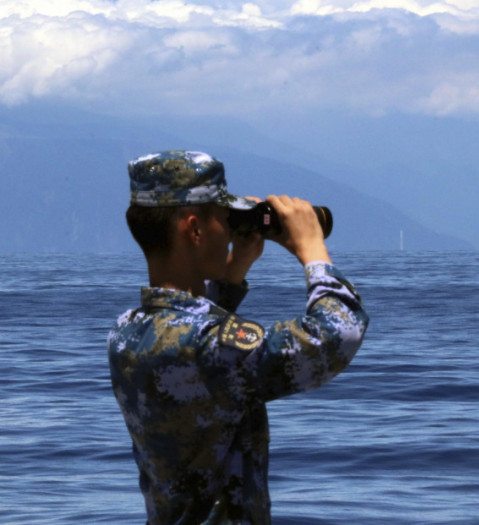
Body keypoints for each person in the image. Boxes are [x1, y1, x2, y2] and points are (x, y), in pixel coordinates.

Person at [108, 150, 369, 524]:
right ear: (195, 229)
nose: (230, 231)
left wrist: (233, 271)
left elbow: (192, 336)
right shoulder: (208, 346)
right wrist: (313, 251)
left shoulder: (126, 331)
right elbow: (335, 335)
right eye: (224, 219)